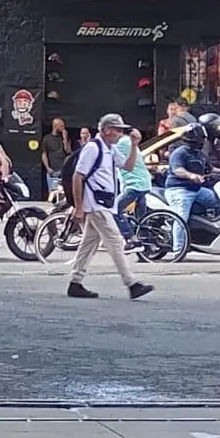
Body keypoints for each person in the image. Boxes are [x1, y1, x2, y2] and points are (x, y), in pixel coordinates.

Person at [67, 114, 154, 300]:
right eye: (117, 129)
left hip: (104, 203)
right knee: (115, 240)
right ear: (106, 130)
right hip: (97, 204)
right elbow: (78, 176)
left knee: (89, 243)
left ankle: (76, 281)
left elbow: (128, 167)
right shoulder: (93, 148)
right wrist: (79, 206)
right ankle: (131, 283)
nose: (120, 133)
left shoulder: (110, 149)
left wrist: (134, 145)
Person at [164, 122, 220, 258]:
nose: (201, 142)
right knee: (181, 217)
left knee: (218, 201)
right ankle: (178, 250)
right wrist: (191, 175)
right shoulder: (179, 153)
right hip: (179, 190)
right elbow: (177, 170)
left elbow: (211, 169)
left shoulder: (200, 154)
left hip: (197, 190)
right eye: (199, 140)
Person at [114, 127, 151, 246]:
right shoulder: (128, 142)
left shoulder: (121, 143)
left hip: (134, 185)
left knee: (114, 210)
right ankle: (145, 241)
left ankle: (130, 239)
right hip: (143, 183)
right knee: (141, 219)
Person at [42, 117, 71, 193]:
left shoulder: (65, 137)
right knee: (52, 193)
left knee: (63, 192)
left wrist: (65, 138)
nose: (63, 128)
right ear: (55, 126)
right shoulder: (47, 138)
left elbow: (68, 151)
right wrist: (47, 167)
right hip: (53, 169)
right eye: (61, 126)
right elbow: (44, 154)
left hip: (63, 169)